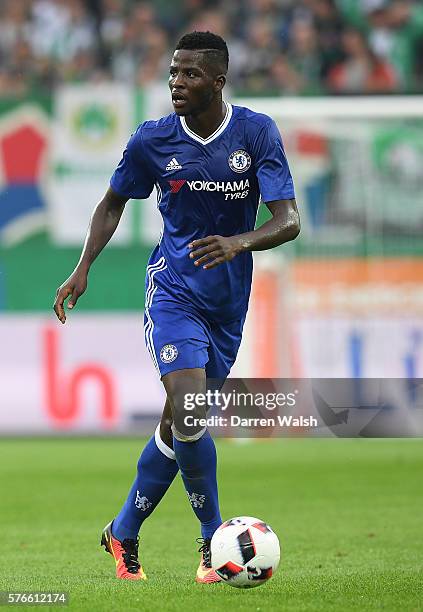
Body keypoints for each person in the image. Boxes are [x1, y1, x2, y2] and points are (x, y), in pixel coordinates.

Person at [53, 30, 300, 583]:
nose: (176, 83)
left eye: (189, 74)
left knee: (180, 423)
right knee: (188, 407)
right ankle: (215, 543)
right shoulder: (153, 141)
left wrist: (239, 243)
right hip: (174, 292)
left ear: (218, 79)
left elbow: (289, 220)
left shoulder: (257, 132)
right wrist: (83, 266)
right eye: (172, 72)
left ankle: (121, 533)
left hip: (228, 305)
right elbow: (113, 202)